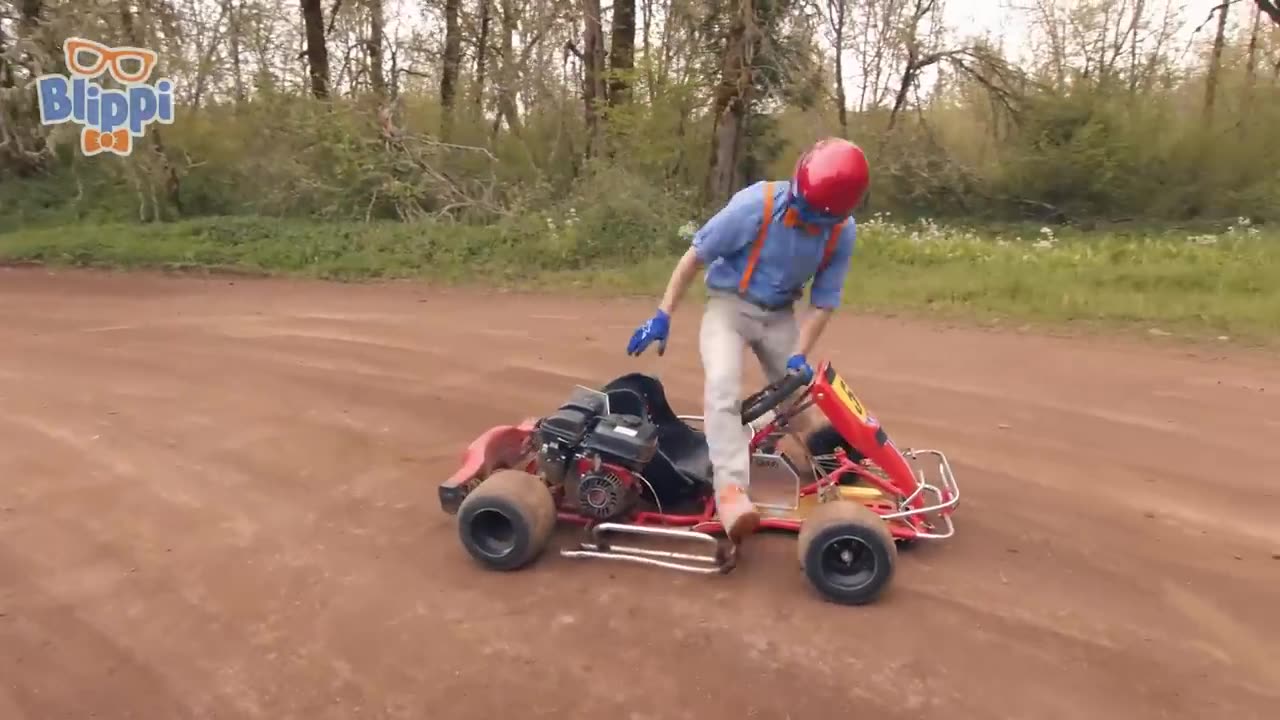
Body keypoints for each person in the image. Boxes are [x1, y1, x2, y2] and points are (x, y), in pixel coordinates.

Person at [624, 137, 870, 551]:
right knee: (722, 385)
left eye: (813, 215)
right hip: (729, 308)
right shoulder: (756, 205)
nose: (802, 215)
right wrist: (663, 314)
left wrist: (798, 355)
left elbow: (824, 302)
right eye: (800, 205)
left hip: (779, 315)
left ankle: (822, 460)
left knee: (798, 396)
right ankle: (731, 491)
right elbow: (695, 256)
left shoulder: (841, 233)